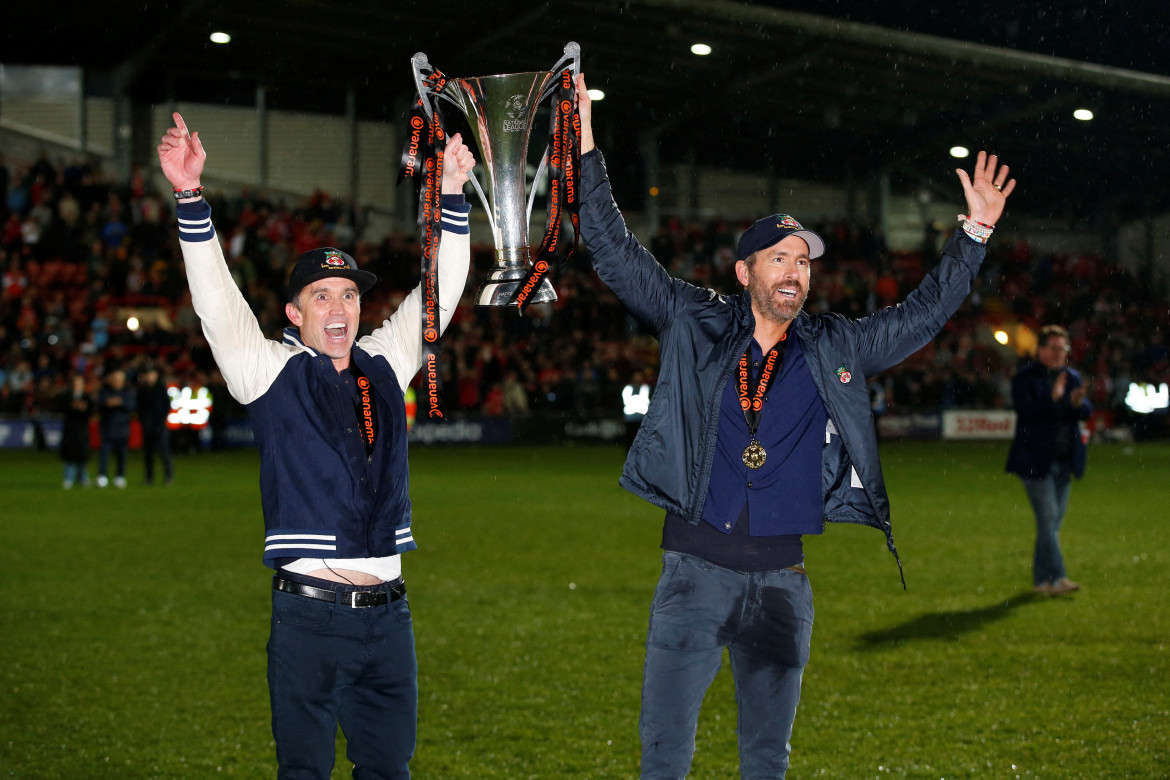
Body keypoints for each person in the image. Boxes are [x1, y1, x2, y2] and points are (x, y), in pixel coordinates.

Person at [574, 75, 1015, 779]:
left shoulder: (834, 345)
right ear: (745, 268)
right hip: (693, 576)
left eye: (803, 261)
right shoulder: (692, 321)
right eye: (779, 257)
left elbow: (923, 315)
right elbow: (613, 250)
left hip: (784, 583)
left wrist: (975, 234)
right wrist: (585, 142)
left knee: (767, 761)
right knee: (664, 757)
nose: (795, 271)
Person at [157, 112, 476, 779]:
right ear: (295, 314)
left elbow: (439, 296)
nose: (340, 307)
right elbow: (217, 303)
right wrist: (189, 197)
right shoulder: (266, 369)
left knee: (389, 772)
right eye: (321, 295)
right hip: (308, 618)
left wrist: (450, 196)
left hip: (391, 619)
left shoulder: (385, 361)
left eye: (350, 295)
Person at [1006, 325, 1089, 595]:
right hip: (1035, 460)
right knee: (1048, 519)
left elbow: (1084, 411)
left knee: (1052, 523)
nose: (1058, 353)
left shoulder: (1072, 376)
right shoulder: (1025, 377)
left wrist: (1076, 404)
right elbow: (1026, 412)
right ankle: (1059, 578)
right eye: (1053, 348)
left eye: (1063, 348)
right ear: (1040, 349)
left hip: (1064, 460)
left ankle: (1041, 582)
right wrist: (1053, 400)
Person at [96, 368, 136, 488]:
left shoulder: (128, 392)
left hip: (122, 428)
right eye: (114, 379)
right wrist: (109, 403)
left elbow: (132, 406)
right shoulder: (104, 391)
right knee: (104, 453)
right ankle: (102, 476)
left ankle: (120, 476)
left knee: (122, 454)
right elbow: (99, 404)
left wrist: (120, 402)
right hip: (107, 427)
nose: (116, 381)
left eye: (119, 379)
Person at [137, 363, 174, 485]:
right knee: (148, 454)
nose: (149, 377)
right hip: (147, 426)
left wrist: (161, 420)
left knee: (164, 453)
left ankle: (168, 476)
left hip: (160, 426)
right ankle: (149, 478)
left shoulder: (160, 388)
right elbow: (139, 408)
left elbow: (166, 406)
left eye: (151, 374)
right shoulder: (143, 390)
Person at [58, 373, 93, 488]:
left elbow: (92, 411)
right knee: (69, 454)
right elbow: (59, 408)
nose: (77, 385)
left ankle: (83, 478)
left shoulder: (87, 397)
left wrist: (84, 408)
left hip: (82, 429)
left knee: (82, 454)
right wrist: (72, 406)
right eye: (75, 383)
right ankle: (68, 478)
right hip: (70, 429)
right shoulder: (66, 396)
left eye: (79, 383)